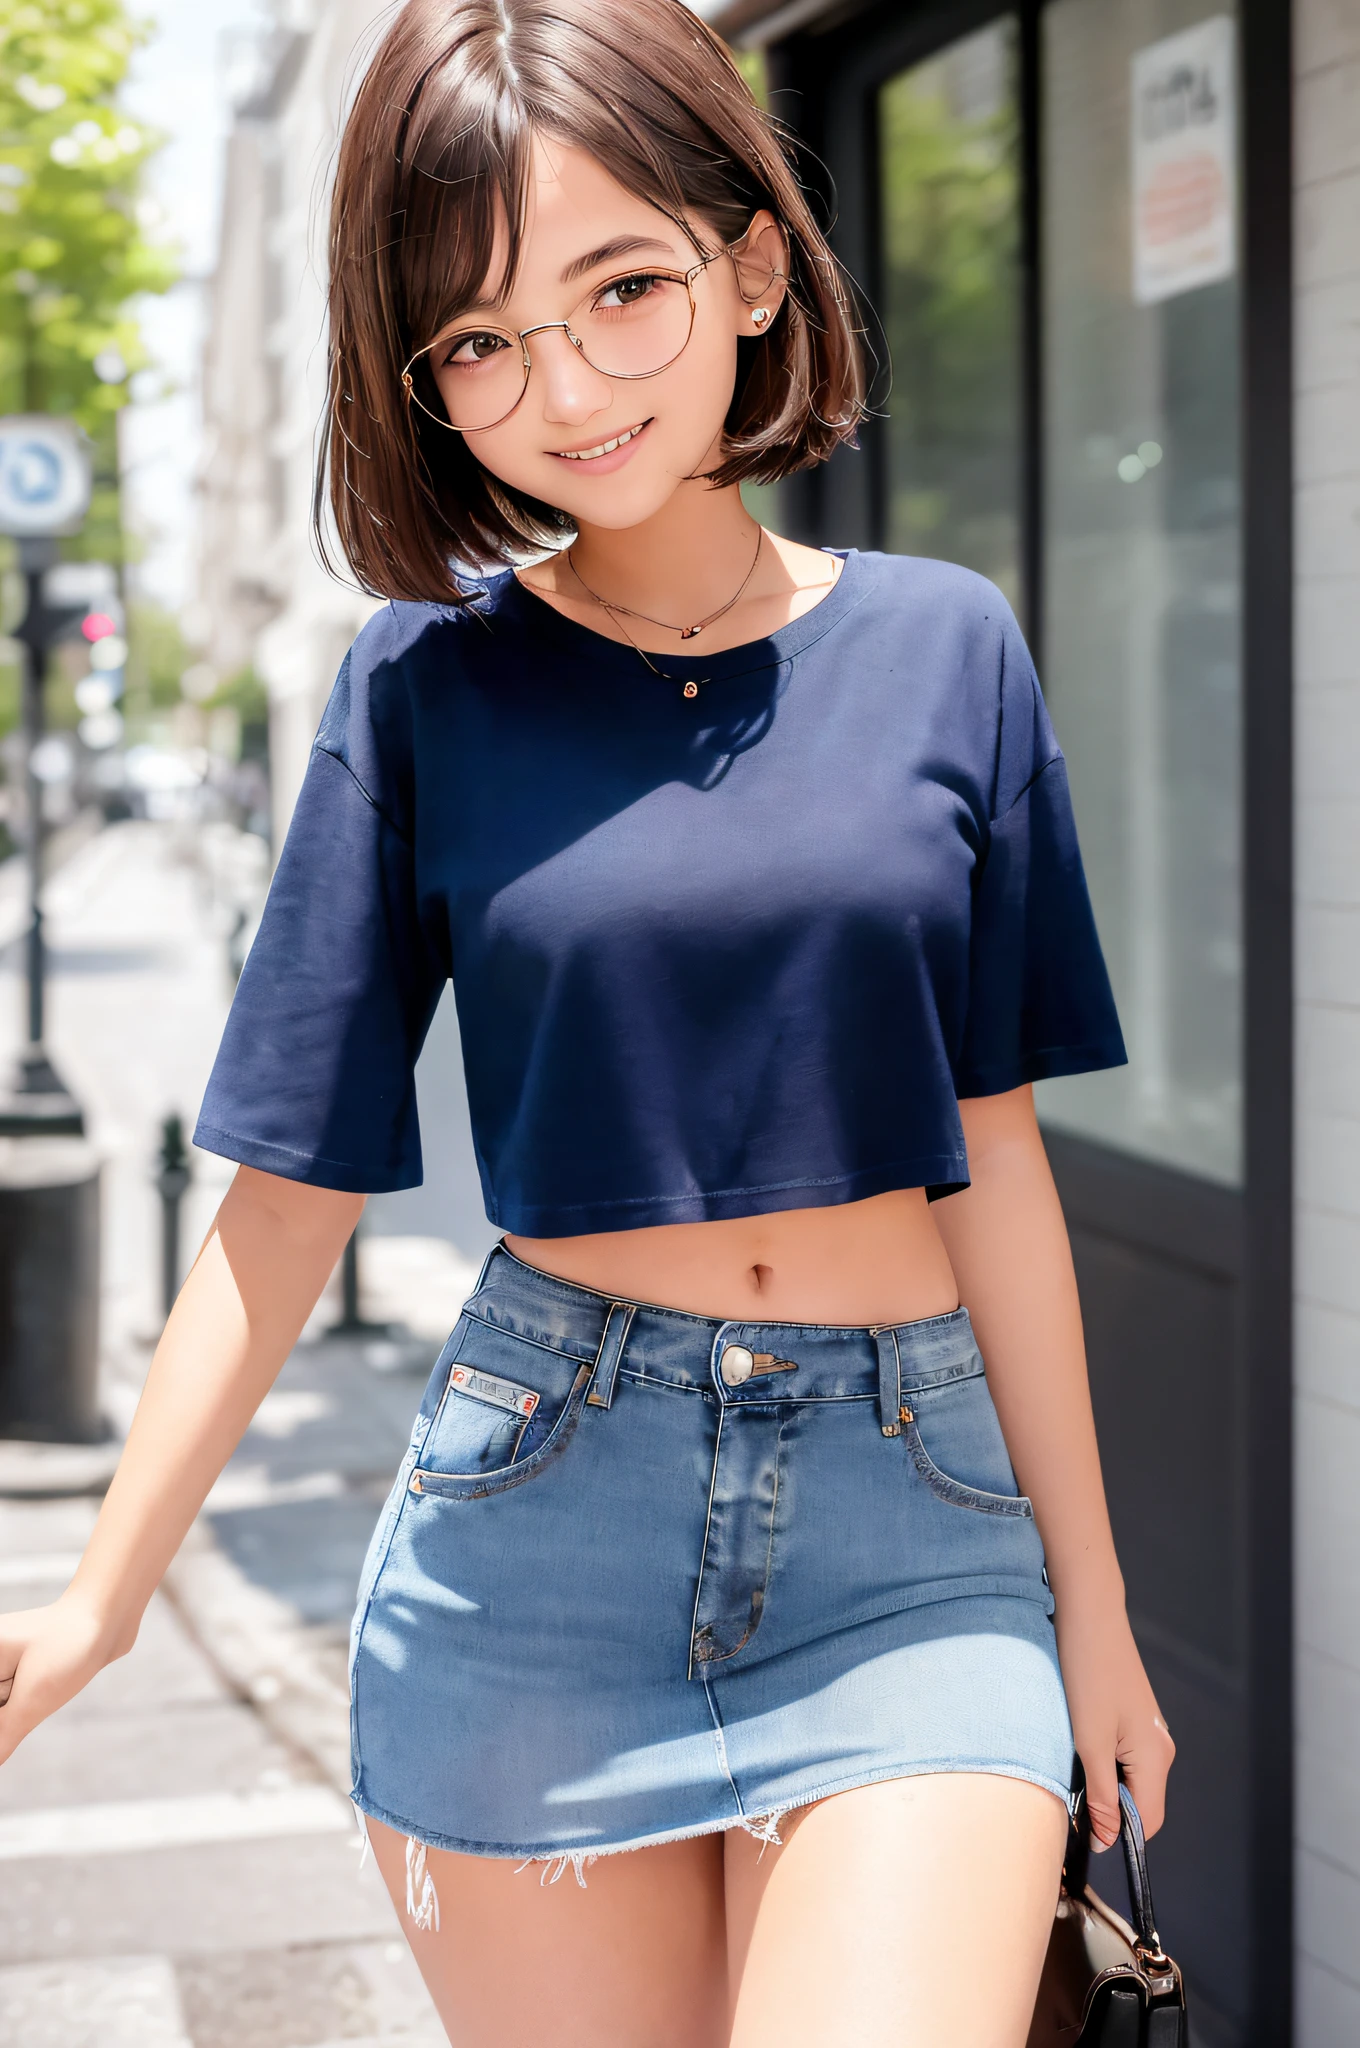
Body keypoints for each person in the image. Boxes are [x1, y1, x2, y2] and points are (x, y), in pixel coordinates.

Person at [0, 3, 1174, 2042]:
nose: (561, 386)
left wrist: (1096, 1605)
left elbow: (990, 1157)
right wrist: (101, 1594)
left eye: (618, 290)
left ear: (744, 262)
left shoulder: (943, 651)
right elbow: (283, 1205)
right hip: (540, 1516)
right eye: (476, 341)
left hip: (915, 1527)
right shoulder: (419, 689)